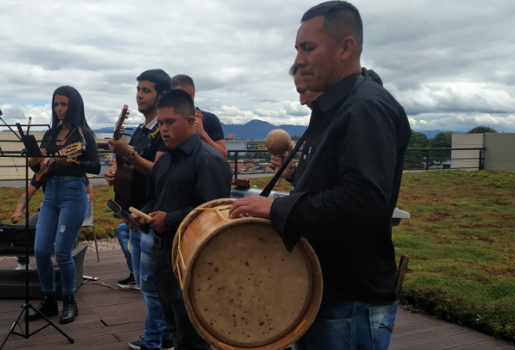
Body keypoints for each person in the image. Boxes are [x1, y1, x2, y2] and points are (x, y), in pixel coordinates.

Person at [229, 2, 411, 350]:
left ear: (346, 48)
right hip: (324, 293)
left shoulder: (365, 107)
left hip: (349, 301)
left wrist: (277, 209)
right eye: (297, 49)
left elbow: (365, 201)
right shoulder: (335, 109)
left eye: (307, 48)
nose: (298, 60)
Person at [136, 89, 232, 350]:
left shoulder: (209, 161)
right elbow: (153, 199)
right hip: (162, 256)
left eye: (170, 122)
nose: (164, 130)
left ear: (191, 122)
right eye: (161, 123)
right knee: (173, 327)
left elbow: (214, 214)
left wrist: (171, 219)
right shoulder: (164, 161)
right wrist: (142, 214)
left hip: (192, 263)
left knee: (193, 335)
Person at [105, 69, 173, 350]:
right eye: (138, 89)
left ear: (162, 95)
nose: (139, 95)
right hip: (134, 213)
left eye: (146, 90)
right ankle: (164, 335)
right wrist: (116, 169)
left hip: (150, 214)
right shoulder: (141, 131)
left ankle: (154, 340)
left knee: (152, 288)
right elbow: (131, 168)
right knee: (148, 286)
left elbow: (158, 171)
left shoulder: (163, 132)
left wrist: (127, 153)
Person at [27, 86, 100, 325]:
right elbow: (39, 170)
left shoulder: (84, 134)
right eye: (56, 104)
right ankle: (48, 301)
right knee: (39, 251)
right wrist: (36, 160)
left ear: (74, 105)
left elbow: (95, 166)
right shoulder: (50, 133)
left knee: (62, 251)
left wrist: (69, 160)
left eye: (64, 104)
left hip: (73, 192)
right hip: (50, 195)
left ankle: (70, 301)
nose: (59, 109)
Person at [10, 175, 93, 270]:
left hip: (70, 210)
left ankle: (67, 261)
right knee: (21, 230)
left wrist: (79, 205)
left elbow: (89, 193)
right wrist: (18, 211)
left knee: (66, 238)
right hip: (49, 211)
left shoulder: (74, 169)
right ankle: (23, 263)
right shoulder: (43, 170)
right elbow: (28, 194)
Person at [170, 74, 227, 157]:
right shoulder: (167, 122)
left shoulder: (209, 119)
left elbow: (223, 154)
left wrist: (201, 133)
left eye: (176, 96)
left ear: (191, 95)